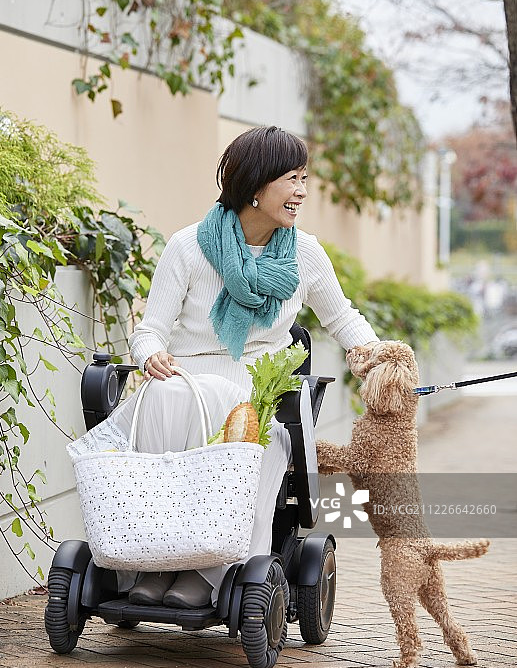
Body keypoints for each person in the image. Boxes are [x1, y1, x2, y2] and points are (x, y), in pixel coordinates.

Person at [69, 125, 379, 608]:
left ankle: (209, 574)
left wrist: (373, 356)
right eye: (291, 178)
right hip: (182, 382)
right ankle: (150, 564)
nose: (301, 190)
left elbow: (342, 317)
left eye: (304, 178)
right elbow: (149, 330)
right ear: (255, 186)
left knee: (248, 427)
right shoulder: (188, 247)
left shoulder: (305, 253)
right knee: (169, 400)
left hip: (256, 389)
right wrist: (150, 354)